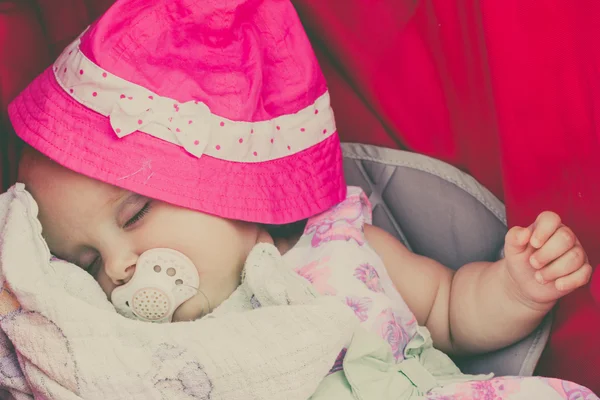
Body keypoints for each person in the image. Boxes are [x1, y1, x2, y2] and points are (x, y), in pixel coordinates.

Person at [9, 0, 597, 398]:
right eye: (85, 262)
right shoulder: (141, 344)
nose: (117, 269)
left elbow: (448, 311)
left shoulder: (337, 247)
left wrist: (517, 288)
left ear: (226, 180)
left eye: (134, 215)